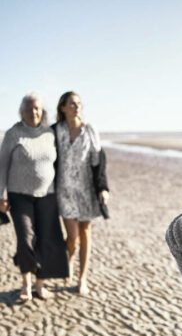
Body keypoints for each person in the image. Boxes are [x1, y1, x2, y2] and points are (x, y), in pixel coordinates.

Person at [0, 93, 69, 301]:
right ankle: (26, 284)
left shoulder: (49, 134)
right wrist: (0, 195)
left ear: (43, 111)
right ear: (22, 112)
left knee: (46, 239)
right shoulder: (14, 134)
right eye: (29, 109)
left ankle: (40, 284)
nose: (34, 112)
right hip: (19, 195)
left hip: (47, 195)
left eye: (37, 108)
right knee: (25, 239)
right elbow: (2, 166)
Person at [53, 91, 109, 295]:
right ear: (63, 107)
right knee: (72, 235)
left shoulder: (89, 130)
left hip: (86, 189)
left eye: (78, 103)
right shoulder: (55, 131)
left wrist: (103, 188)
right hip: (64, 189)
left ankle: (82, 278)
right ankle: (67, 262)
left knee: (85, 233)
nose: (76, 106)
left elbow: (99, 160)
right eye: (71, 103)